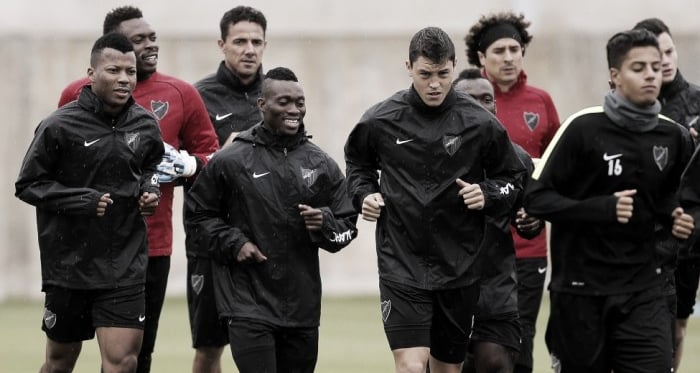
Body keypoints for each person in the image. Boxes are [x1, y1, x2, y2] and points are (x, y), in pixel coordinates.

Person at [344, 27, 527, 373]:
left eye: (443, 74)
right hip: (401, 262)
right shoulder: (380, 119)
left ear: (455, 67)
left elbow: (513, 178)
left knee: (446, 369)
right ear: (409, 67)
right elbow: (358, 164)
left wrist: (486, 193)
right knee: (411, 366)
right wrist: (363, 193)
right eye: (425, 74)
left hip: (459, 266)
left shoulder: (480, 123)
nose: (434, 84)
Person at [57, 6, 219, 373]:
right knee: (63, 353)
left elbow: (212, 157)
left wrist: (189, 165)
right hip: (83, 246)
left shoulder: (181, 93)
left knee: (134, 357)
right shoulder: (73, 95)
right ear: (112, 48)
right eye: (138, 40)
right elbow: (58, 165)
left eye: (152, 38)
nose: (149, 46)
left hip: (149, 246)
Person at [523, 29, 695, 372]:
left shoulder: (672, 136)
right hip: (580, 292)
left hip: (644, 289)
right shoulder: (582, 129)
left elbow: (672, 197)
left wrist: (678, 216)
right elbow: (536, 198)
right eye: (638, 67)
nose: (650, 74)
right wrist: (600, 208)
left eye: (655, 66)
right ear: (614, 76)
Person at [185, 67, 358, 373]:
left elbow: (348, 223)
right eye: (284, 102)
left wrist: (324, 224)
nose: (294, 110)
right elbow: (198, 216)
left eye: (300, 102)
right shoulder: (231, 160)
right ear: (262, 105)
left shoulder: (320, 163)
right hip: (247, 304)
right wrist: (234, 243)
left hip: (302, 309)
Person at [15, 32, 164, 373]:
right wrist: (80, 200)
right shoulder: (58, 125)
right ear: (92, 73)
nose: (124, 78)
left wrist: (150, 189)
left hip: (124, 266)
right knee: (59, 363)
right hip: (70, 266)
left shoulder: (145, 124)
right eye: (114, 70)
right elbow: (27, 184)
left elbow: (154, 167)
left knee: (123, 363)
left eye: (131, 71)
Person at [464, 13, 560, 373]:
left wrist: (537, 210)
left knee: (521, 339)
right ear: (480, 57)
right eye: (499, 50)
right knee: (469, 347)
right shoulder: (466, 99)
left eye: (515, 49)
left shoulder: (542, 102)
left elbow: (555, 169)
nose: (508, 57)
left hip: (528, 248)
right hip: (474, 249)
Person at [187, 6, 267, 372]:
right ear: (222, 44)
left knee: (267, 343)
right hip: (211, 242)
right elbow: (183, 169)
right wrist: (224, 155)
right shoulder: (198, 97)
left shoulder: (279, 95)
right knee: (209, 348)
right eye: (240, 41)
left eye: (256, 41)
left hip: (265, 238)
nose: (249, 49)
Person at [454, 68, 543, 373]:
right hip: (442, 286)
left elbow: (529, 217)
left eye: (486, 99)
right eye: (469, 98)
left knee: (494, 362)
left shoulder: (516, 158)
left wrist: (531, 221)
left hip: (496, 287)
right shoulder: (430, 157)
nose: (480, 106)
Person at [633, 17, 700, 373]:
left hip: (689, 238)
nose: (667, 60)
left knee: (677, 325)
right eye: (658, 54)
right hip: (647, 237)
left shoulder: (697, 102)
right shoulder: (631, 106)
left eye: (670, 51)